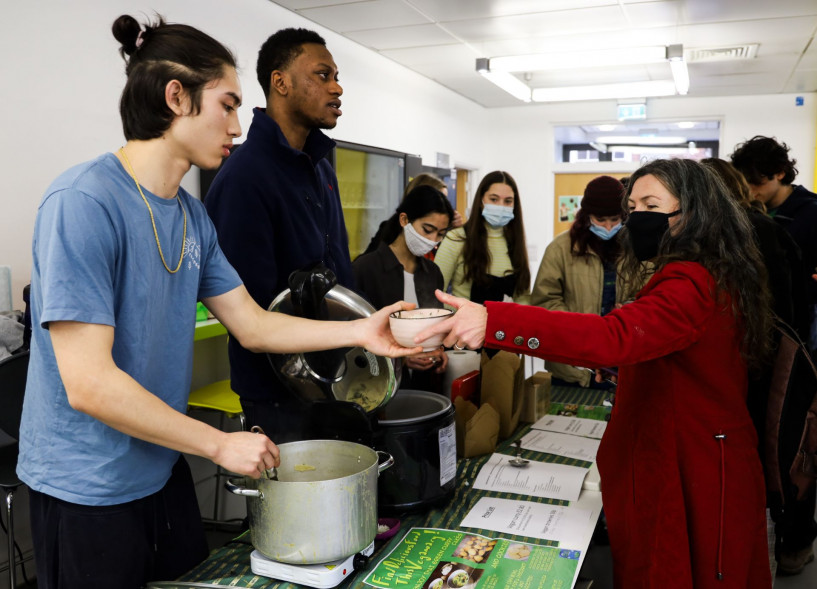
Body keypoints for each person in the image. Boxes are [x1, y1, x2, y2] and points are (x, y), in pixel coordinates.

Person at [17, 15, 418, 588]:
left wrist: (360, 333)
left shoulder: (190, 217)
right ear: (176, 98)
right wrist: (218, 443)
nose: (237, 123)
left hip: (159, 469)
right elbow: (89, 384)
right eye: (226, 105)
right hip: (88, 487)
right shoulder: (83, 201)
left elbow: (253, 324)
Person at [420, 158, 774, 588]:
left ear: (694, 212)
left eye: (651, 204)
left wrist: (493, 321)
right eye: (634, 205)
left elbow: (615, 337)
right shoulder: (702, 271)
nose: (637, 216)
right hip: (687, 450)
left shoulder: (692, 281)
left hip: (694, 463)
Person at [204, 28, 353, 444]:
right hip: (278, 391)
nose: (337, 87)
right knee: (290, 507)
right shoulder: (244, 176)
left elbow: (338, 264)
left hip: (333, 373)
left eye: (337, 76)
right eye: (322, 75)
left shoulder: (320, 164)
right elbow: (248, 311)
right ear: (280, 82)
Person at [730, 137, 817, 575]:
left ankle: (797, 542)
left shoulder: (810, 214)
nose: (750, 189)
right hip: (765, 351)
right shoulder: (752, 219)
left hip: (801, 346)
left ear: (781, 174)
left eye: (757, 181)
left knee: (795, 448)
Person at [531, 175, 628, 388]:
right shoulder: (560, 249)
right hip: (571, 368)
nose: (609, 226)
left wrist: (631, 310)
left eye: (615, 219)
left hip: (623, 367)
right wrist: (582, 329)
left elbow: (650, 295)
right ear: (586, 216)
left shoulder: (635, 249)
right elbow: (544, 301)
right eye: (601, 220)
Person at [353, 185, 454, 390]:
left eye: (440, 234)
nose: (432, 240)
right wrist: (404, 360)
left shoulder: (432, 273)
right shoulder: (365, 269)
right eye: (427, 230)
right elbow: (353, 338)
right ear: (404, 220)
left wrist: (437, 352)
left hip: (424, 387)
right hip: (379, 387)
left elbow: (432, 330)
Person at [434, 170, 530, 305]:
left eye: (508, 201)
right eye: (494, 199)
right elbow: (436, 293)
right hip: (462, 324)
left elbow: (523, 299)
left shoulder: (515, 243)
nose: (501, 206)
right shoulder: (456, 238)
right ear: (481, 201)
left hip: (504, 325)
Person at [359, 172, 462, 258]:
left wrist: (453, 230)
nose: (442, 204)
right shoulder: (390, 229)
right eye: (427, 230)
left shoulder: (440, 234)